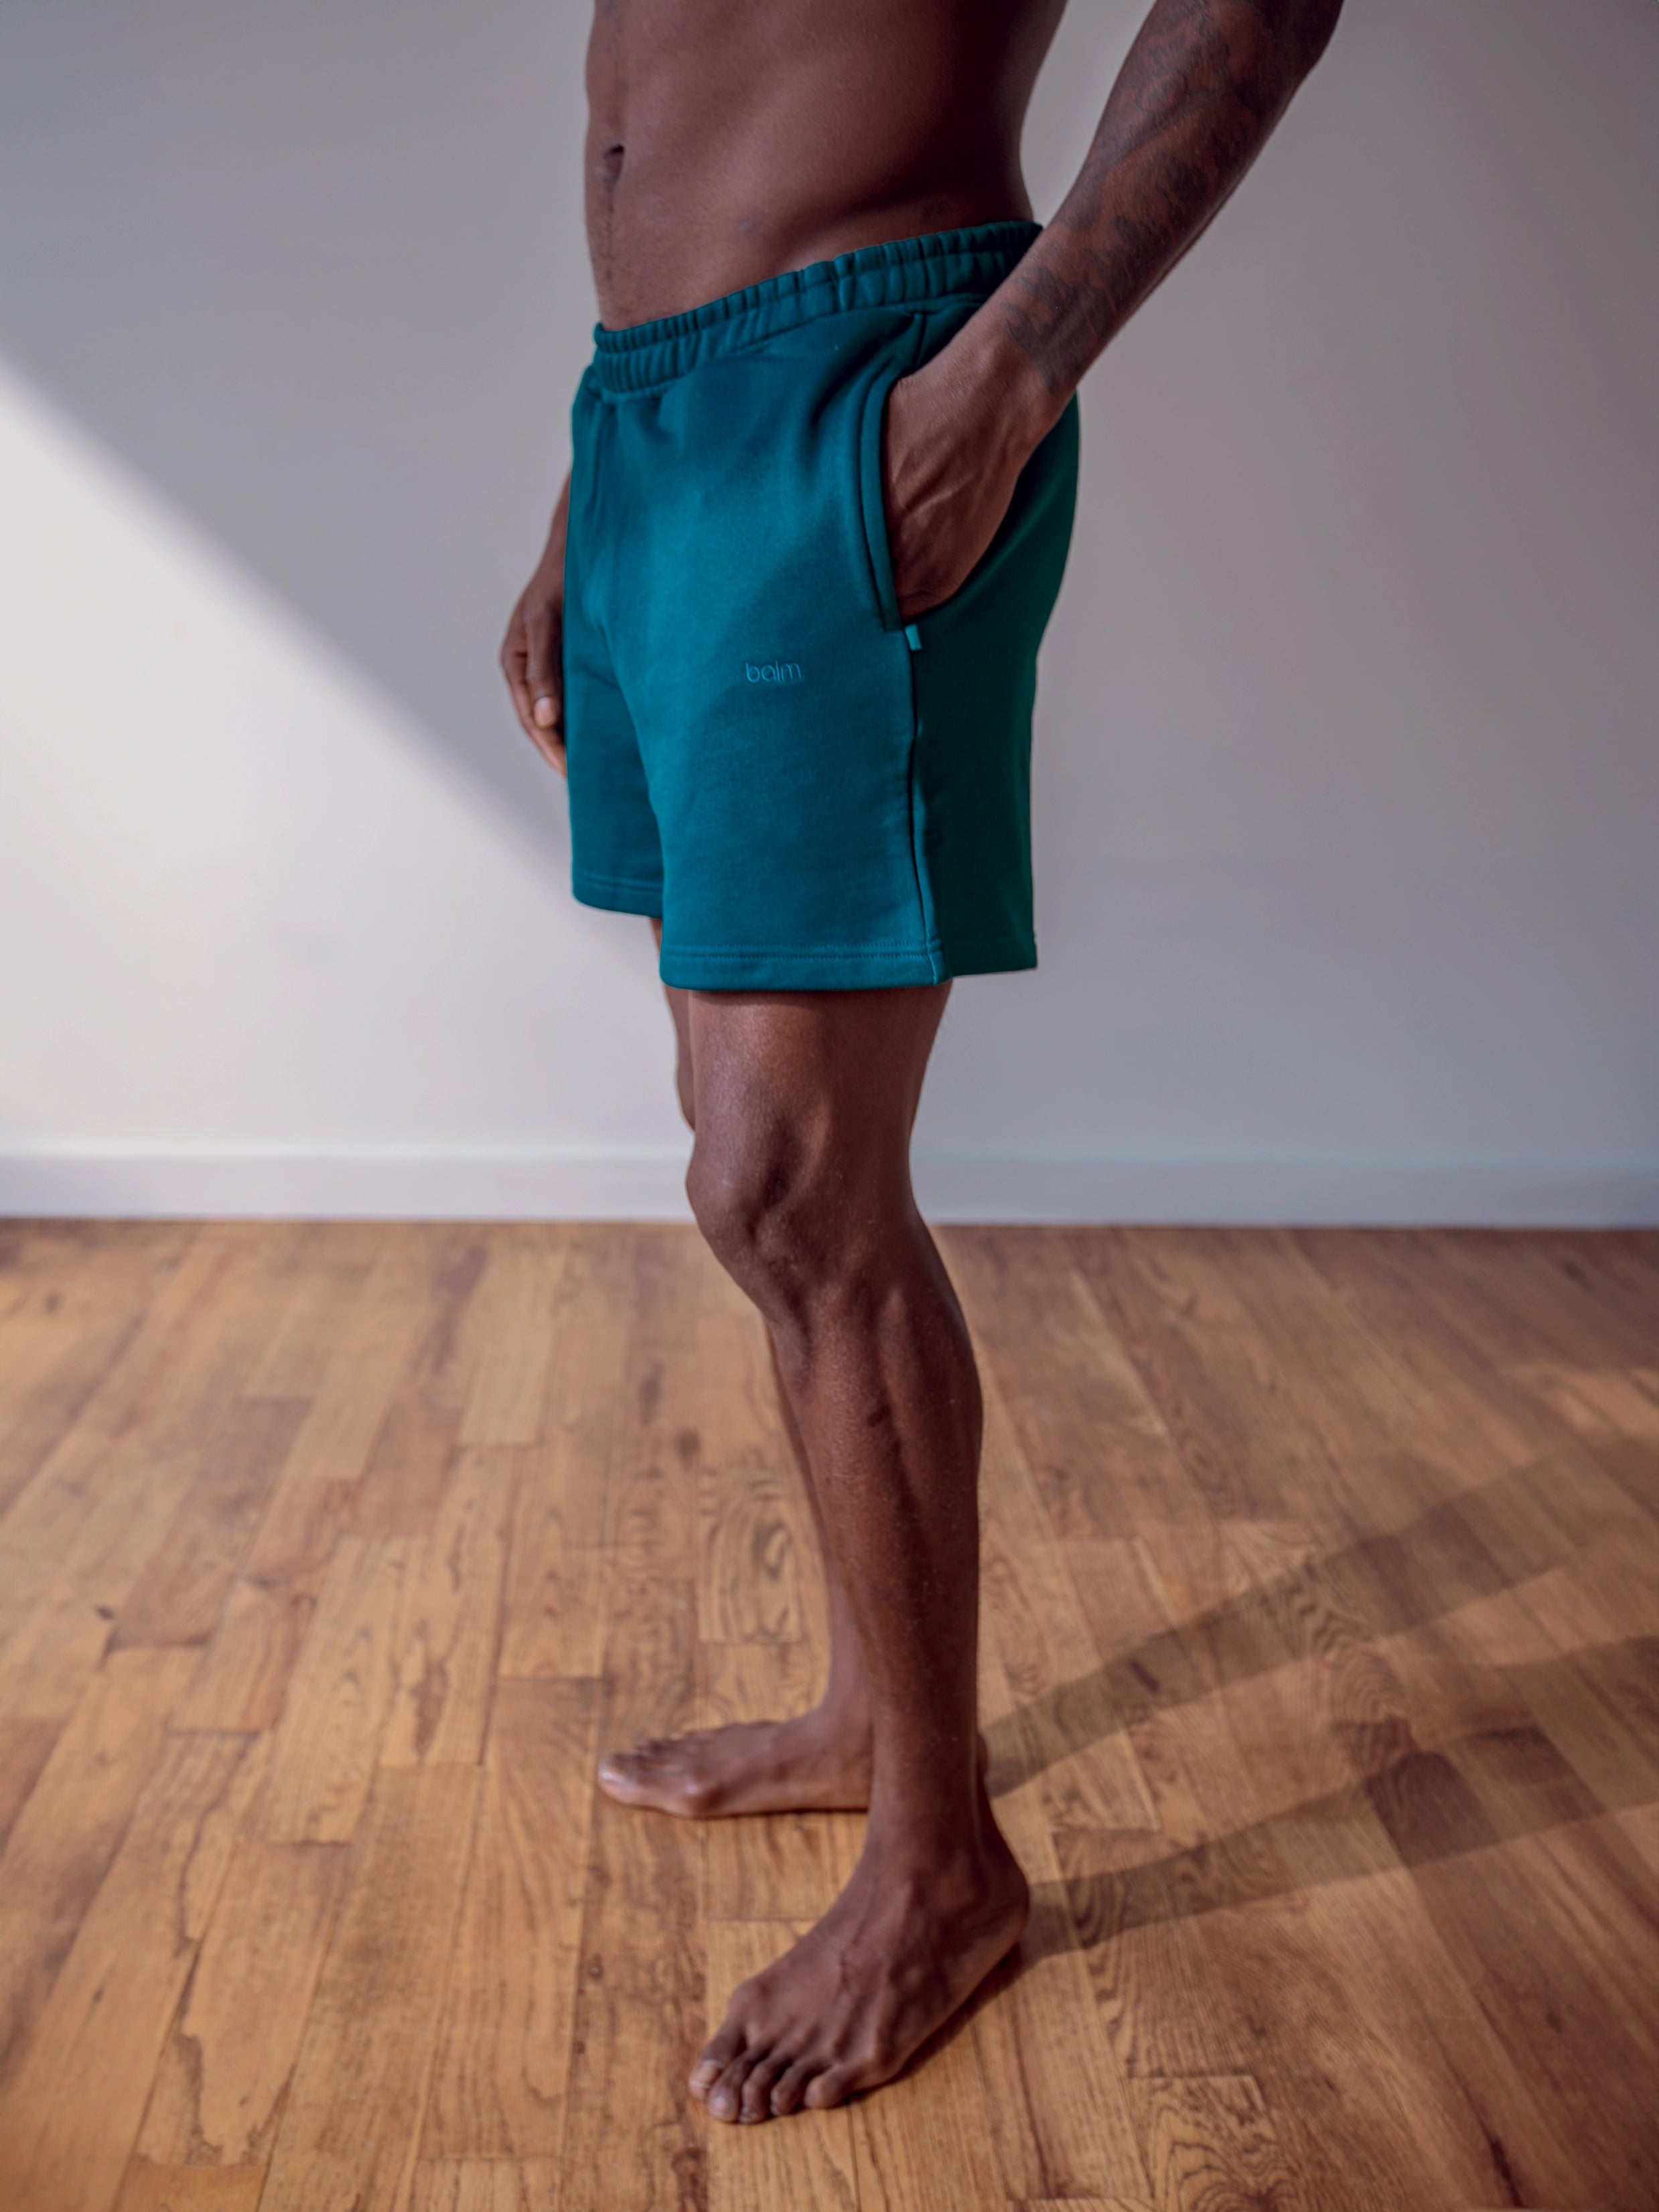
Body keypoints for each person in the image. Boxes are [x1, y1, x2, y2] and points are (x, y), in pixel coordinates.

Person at [502, 0, 1342, 2126]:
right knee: (750, 1159)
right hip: (660, 421)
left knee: (786, 1181)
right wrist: (602, 477)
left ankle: (944, 1866)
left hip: (869, 381)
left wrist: (1016, 366)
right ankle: (874, 1720)